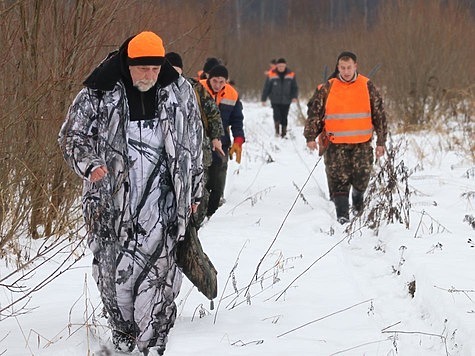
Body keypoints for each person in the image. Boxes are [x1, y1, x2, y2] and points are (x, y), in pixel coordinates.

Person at [58, 31, 203, 356]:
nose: (149, 76)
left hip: (162, 204)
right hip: (111, 207)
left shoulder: (178, 92)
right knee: (116, 282)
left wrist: (193, 189)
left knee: (159, 278)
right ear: (127, 64)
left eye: (155, 69)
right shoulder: (99, 92)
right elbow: (71, 136)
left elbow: (193, 143)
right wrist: (89, 163)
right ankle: (122, 334)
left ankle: (152, 344)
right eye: (142, 69)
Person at [304, 51, 388, 224]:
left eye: (349, 67)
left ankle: (358, 197)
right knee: (338, 180)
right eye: (342, 68)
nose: (346, 71)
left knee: (362, 177)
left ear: (355, 66)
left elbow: (379, 115)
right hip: (335, 143)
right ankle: (342, 217)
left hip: (362, 143)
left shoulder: (367, 85)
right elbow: (315, 113)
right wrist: (311, 136)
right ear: (338, 68)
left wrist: (381, 141)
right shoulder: (328, 87)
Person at [165, 51, 225, 227]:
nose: (173, 75)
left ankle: (198, 220)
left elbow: (213, 113)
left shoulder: (193, 87)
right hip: (170, 149)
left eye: (176, 71)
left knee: (199, 185)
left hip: (197, 146)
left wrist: (215, 137)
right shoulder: (156, 87)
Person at [200, 64, 245, 218]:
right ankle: (200, 210)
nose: (218, 85)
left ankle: (212, 213)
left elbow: (237, 120)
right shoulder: (198, 90)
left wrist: (238, 140)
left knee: (218, 178)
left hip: (222, 142)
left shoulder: (232, 95)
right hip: (200, 142)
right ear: (209, 79)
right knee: (202, 177)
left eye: (221, 82)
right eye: (215, 81)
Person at [261, 57, 299, 138]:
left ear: (285, 66)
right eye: (279, 66)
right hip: (275, 99)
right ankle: (277, 131)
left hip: (287, 99)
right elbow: (267, 87)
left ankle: (284, 132)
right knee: (277, 115)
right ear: (277, 66)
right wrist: (264, 99)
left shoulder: (291, 74)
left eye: (282, 66)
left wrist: (294, 96)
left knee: (284, 116)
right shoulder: (271, 74)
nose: (281, 67)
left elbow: (294, 87)